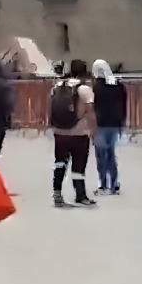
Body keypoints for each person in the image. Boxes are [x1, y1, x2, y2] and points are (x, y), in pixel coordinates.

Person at [50, 59, 97, 207]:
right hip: (79, 134)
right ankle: (80, 195)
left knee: (59, 163)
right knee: (78, 166)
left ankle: (57, 194)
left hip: (59, 133)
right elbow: (90, 112)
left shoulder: (57, 86)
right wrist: (93, 130)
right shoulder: (84, 89)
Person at [92, 59, 127, 195]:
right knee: (111, 154)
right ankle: (113, 184)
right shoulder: (118, 86)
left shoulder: (96, 87)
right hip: (115, 124)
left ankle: (103, 184)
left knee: (101, 155)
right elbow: (123, 106)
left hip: (100, 125)